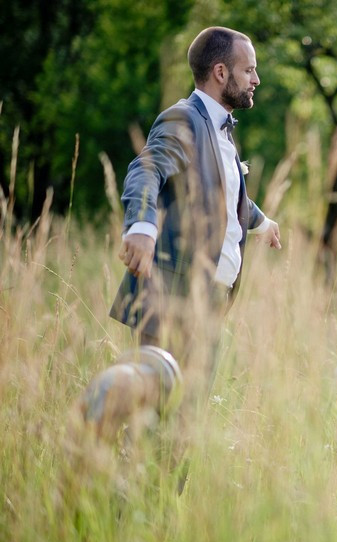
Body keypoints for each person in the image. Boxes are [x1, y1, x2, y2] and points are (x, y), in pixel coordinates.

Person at [109, 26, 281, 391]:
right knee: (153, 415)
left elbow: (219, 192)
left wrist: (261, 222)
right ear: (221, 72)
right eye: (248, 70)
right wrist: (141, 226)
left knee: (187, 423)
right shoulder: (184, 118)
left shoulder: (220, 130)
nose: (256, 79)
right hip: (174, 300)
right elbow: (147, 169)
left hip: (210, 304)